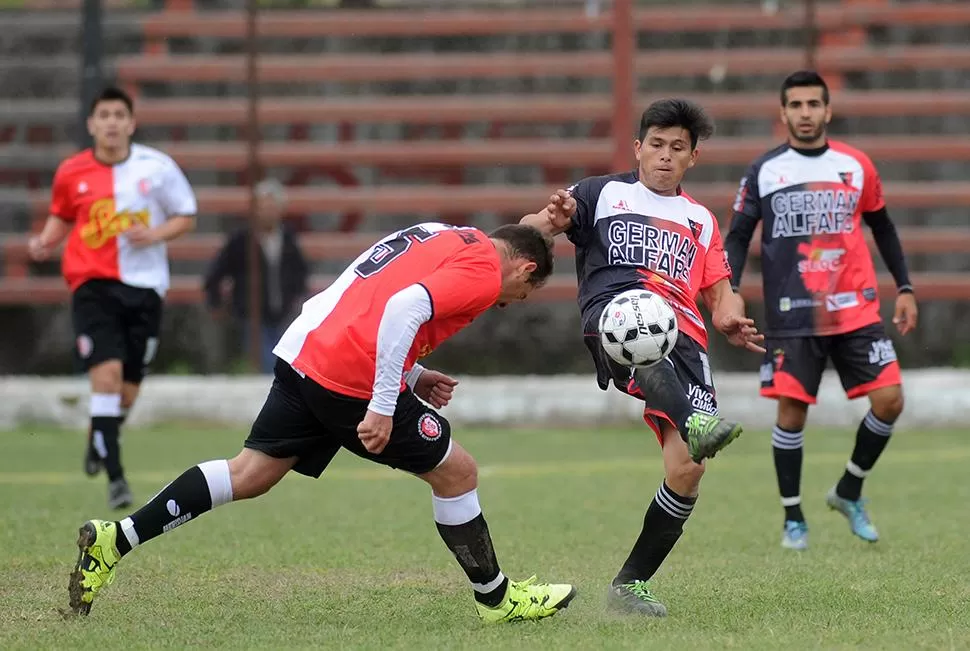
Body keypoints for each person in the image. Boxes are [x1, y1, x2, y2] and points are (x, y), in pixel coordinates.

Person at [67, 222, 577, 623]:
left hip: (307, 349)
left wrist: (413, 372)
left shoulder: (442, 234)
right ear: (524, 269)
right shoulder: (485, 272)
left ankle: (118, 538)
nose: (509, 302)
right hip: (350, 379)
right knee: (457, 473)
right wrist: (382, 402)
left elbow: (375, 295)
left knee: (250, 474)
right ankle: (496, 598)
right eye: (522, 294)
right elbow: (403, 307)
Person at [520, 98, 765, 617]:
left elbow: (721, 292)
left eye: (677, 148)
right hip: (616, 312)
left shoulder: (699, 220)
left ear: (693, 157)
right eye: (656, 145)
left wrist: (727, 315)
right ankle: (696, 421)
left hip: (685, 336)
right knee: (643, 337)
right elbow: (530, 227)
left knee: (687, 469)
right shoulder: (600, 193)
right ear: (637, 148)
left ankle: (628, 586)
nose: (664, 156)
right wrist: (551, 223)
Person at [723, 70, 917, 551]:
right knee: (792, 413)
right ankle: (794, 518)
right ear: (783, 112)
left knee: (890, 400)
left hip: (855, 308)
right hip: (793, 311)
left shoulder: (856, 165)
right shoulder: (765, 170)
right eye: (796, 105)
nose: (805, 113)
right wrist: (729, 291)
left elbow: (885, 228)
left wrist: (906, 287)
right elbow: (737, 237)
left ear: (828, 111)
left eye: (814, 104)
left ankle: (849, 490)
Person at [28, 86, 197, 509]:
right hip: (92, 287)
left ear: (131, 123)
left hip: (145, 289)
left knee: (126, 392)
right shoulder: (72, 172)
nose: (111, 122)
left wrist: (154, 234)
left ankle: (98, 436)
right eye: (103, 115)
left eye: (119, 115)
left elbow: (186, 215)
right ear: (91, 124)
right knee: (104, 378)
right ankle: (117, 479)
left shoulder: (156, 168)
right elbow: (62, 216)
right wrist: (45, 243)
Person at [204, 178, 309, 373]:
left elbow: (300, 272)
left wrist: (298, 298)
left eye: (272, 206)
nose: (268, 212)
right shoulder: (241, 239)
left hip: (284, 313)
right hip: (251, 315)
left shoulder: (288, 238)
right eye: (263, 207)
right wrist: (215, 302)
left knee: (284, 363)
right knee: (267, 366)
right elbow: (216, 272)